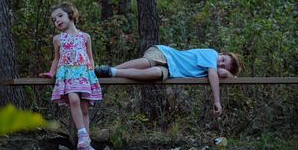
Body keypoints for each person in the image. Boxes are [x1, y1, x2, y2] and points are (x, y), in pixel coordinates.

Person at [95, 45, 241, 115]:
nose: (219, 63)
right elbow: (214, 74)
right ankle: (109, 70)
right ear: (221, 53)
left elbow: (219, 73)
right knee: (149, 62)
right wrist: (217, 101)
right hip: (165, 54)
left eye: (223, 65)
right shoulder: (212, 54)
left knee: (157, 73)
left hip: (170, 71)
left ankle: (113, 72)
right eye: (222, 59)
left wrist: (229, 75)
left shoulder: (213, 68)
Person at [39, 2, 102, 150]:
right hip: (68, 74)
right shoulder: (58, 39)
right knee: (74, 100)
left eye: (60, 16)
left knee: (85, 107)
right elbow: (56, 59)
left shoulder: (85, 36)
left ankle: (86, 145)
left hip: (83, 74)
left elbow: (90, 57)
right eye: (54, 19)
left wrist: (91, 73)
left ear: (71, 14)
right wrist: (51, 73)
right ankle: (82, 135)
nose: (57, 21)